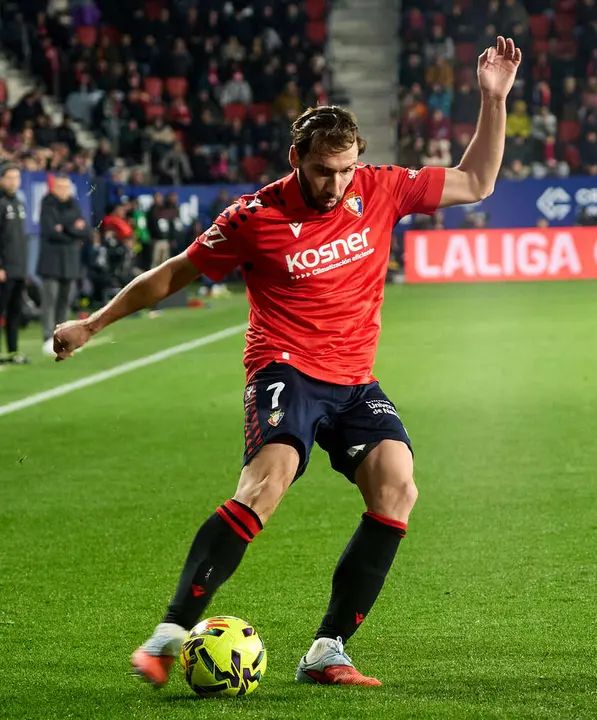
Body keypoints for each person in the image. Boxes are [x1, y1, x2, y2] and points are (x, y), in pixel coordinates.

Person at [53, 37, 522, 686]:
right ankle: (167, 632)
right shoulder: (255, 216)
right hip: (286, 371)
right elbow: (174, 275)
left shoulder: (382, 189)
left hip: (354, 380)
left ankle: (327, 650)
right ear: (296, 157)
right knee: (267, 484)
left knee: (398, 486)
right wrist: (94, 322)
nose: (336, 184)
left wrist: (492, 100)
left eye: (346, 170)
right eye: (324, 170)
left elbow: (477, 181)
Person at [38, 175, 90, 356]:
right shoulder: (47, 204)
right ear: (53, 188)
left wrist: (65, 227)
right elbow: (50, 231)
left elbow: (84, 230)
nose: (64, 191)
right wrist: (72, 228)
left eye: (67, 187)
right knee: (50, 299)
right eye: (61, 187)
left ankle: (62, 336)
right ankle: (47, 337)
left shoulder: (72, 204)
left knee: (65, 299)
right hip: (51, 260)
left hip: (69, 260)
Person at [0, 165, 29, 364]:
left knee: (14, 312)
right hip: (4, 268)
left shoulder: (18, 203)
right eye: (9, 177)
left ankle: (12, 351)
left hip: (18, 268)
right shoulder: (1, 203)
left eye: (16, 177)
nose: (13, 181)